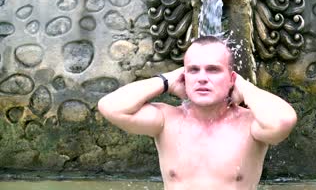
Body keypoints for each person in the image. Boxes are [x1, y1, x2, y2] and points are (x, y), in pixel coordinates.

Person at [98, 36, 297, 189]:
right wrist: (166, 80)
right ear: (184, 76)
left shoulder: (252, 125)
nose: (202, 78)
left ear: (231, 78)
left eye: (213, 70)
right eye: (194, 70)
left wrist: (243, 87)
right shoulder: (166, 121)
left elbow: (282, 122)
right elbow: (110, 106)